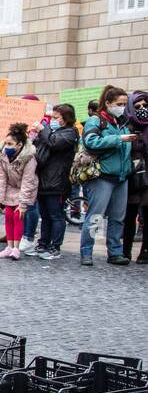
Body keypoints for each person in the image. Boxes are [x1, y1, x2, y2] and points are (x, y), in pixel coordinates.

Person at [79, 85, 135, 266]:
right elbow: (90, 142)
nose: (122, 107)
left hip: (121, 177)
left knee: (118, 217)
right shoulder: (96, 121)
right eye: (119, 104)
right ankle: (86, 252)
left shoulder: (124, 121)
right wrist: (119, 139)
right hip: (101, 176)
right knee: (95, 216)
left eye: (125, 104)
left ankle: (115, 252)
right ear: (108, 103)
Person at [34, 103, 80, 260]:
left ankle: (55, 245)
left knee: (56, 215)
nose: (52, 120)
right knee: (45, 215)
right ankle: (43, 243)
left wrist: (43, 129)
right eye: (51, 117)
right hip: (43, 180)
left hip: (57, 182)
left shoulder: (70, 133)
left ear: (66, 119)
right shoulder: (51, 132)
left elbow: (54, 142)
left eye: (56, 117)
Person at [0, 123, 39, 260]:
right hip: (10, 187)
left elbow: (28, 181)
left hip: (24, 188)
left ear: (19, 145)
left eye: (10, 144)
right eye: (6, 143)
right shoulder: (2, 156)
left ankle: (16, 249)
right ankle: (9, 247)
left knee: (18, 216)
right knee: (8, 216)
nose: (6, 147)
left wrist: (23, 203)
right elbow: (0, 177)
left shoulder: (29, 158)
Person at [127, 91, 148, 263]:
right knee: (128, 215)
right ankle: (124, 251)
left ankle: (145, 251)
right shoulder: (126, 126)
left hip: (146, 178)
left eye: (145, 105)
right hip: (130, 177)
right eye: (138, 106)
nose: (142, 109)